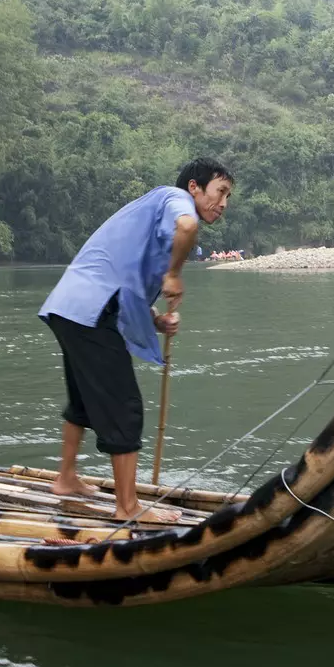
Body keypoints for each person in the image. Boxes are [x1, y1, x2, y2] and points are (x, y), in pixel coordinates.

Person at [38, 158, 233, 523]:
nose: (223, 204)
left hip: (71, 306)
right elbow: (188, 225)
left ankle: (66, 478)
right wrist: (174, 274)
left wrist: (156, 321)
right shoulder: (174, 198)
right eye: (220, 192)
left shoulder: (154, 216)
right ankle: (127, 508)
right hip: (91, 310)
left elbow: (127, 284)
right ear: (194, 187)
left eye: (227, 197)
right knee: (124, 406)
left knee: (81, 401)